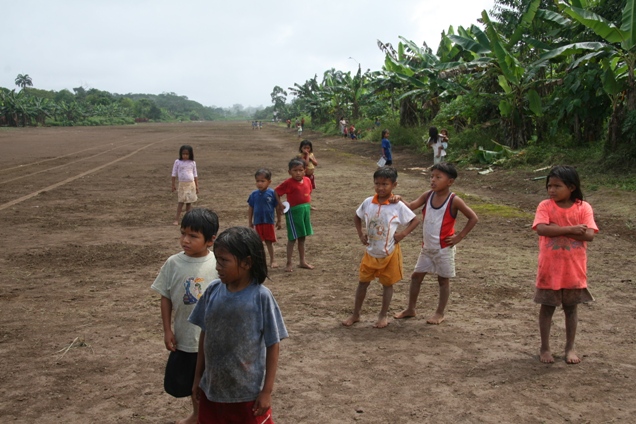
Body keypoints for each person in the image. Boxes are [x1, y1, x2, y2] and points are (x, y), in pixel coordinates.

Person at [190, 227, 288, 424]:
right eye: (217, 260)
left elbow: (273, 344)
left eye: (224, 261)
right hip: (212, 389)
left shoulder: (261, 297)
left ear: (247, 263)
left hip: (246, 394)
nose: (217, 267)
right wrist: (197, 377)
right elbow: (205, 335)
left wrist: (267, 391)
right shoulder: (212, 291)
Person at [150, 208, 219, 424]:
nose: (185, 240)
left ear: (210, 240)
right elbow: (166, 296)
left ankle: (208, 417)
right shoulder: (173, 263)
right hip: (186, 337)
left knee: (210, 380)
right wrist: (167, 330)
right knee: (191, 381)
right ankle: (198, 415)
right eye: (183, 234)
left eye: (193, 236)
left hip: (212, 339)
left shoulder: (218, 264)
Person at [393, 163, 479, 324]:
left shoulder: (454, 200)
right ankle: (411, 309)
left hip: (444, 249)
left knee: (443, 280)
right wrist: (400, 199)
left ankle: (440, 313)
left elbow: (473, 218)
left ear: (450, 181)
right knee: (416, 277)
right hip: (427, 248)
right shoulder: (428, 195)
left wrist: (459, 237)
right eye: (432, 176)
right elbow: (411, 206)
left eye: (438, 177)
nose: (433, 180)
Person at [533, 165, 597, 364]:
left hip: (574, 269)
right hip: (549, 269)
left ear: (571, 187)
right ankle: (545, 348)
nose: (551, 190)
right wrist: (571, 229)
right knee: (547, 308)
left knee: (571, 309)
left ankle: (570, 348)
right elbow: (542, 229)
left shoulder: (583, 208)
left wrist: (557, 229)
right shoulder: (545, 206)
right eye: (549, 186)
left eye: (557, 186)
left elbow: (589, 235)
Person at [342, 166, 419, 328]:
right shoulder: (368, 202)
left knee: (387, 285)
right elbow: (357, 216)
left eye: (385, 184)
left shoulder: (397, 205)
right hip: (370, 252)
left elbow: (415, 220)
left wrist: (402, 234)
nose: (380, 188)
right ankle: (356, 314)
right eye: (377, 183)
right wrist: (360, 234)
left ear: (394, 185)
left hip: (389, 252)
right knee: (362, 283)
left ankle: (383, 315)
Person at [275, 158, 314, 272]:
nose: (298, 173)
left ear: (305, 170)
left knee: (302, 237)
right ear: (289, 172)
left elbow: (308, 192)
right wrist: (280, 204)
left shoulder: (307, 180)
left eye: (300, 170)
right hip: (294, 212)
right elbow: (276, 192)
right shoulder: (288, 183)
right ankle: (289, 262)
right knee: (292, 238)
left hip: (305, 210)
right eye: (295, 170)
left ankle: (302, 261)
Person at [248, 168, 282, 269]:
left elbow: (277, 207)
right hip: (258, 222)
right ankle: (259, 261)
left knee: (269, 242)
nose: (260, 183)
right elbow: (251, 208)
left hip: (268, 222)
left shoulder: (272, 193)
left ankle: (273, 260)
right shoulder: (253, 195)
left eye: (262, 181)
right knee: (258, 243)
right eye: (257, 181)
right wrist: (250, 222)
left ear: (269, 182)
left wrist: (279, 220)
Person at [171, 145, 199, 226]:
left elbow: (195, 174)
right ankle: (177, 219)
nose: (185, 156)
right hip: (182, 184)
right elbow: (173, 173)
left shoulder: (192, 162)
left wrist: (197, 186)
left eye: (187, 154)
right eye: (183, 154)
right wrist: (173, 184)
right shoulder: (177, 162)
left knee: (188, 203)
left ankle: (188, 220)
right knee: (181, 202)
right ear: (180, 154)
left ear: (190, 154)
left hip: (191, 184)